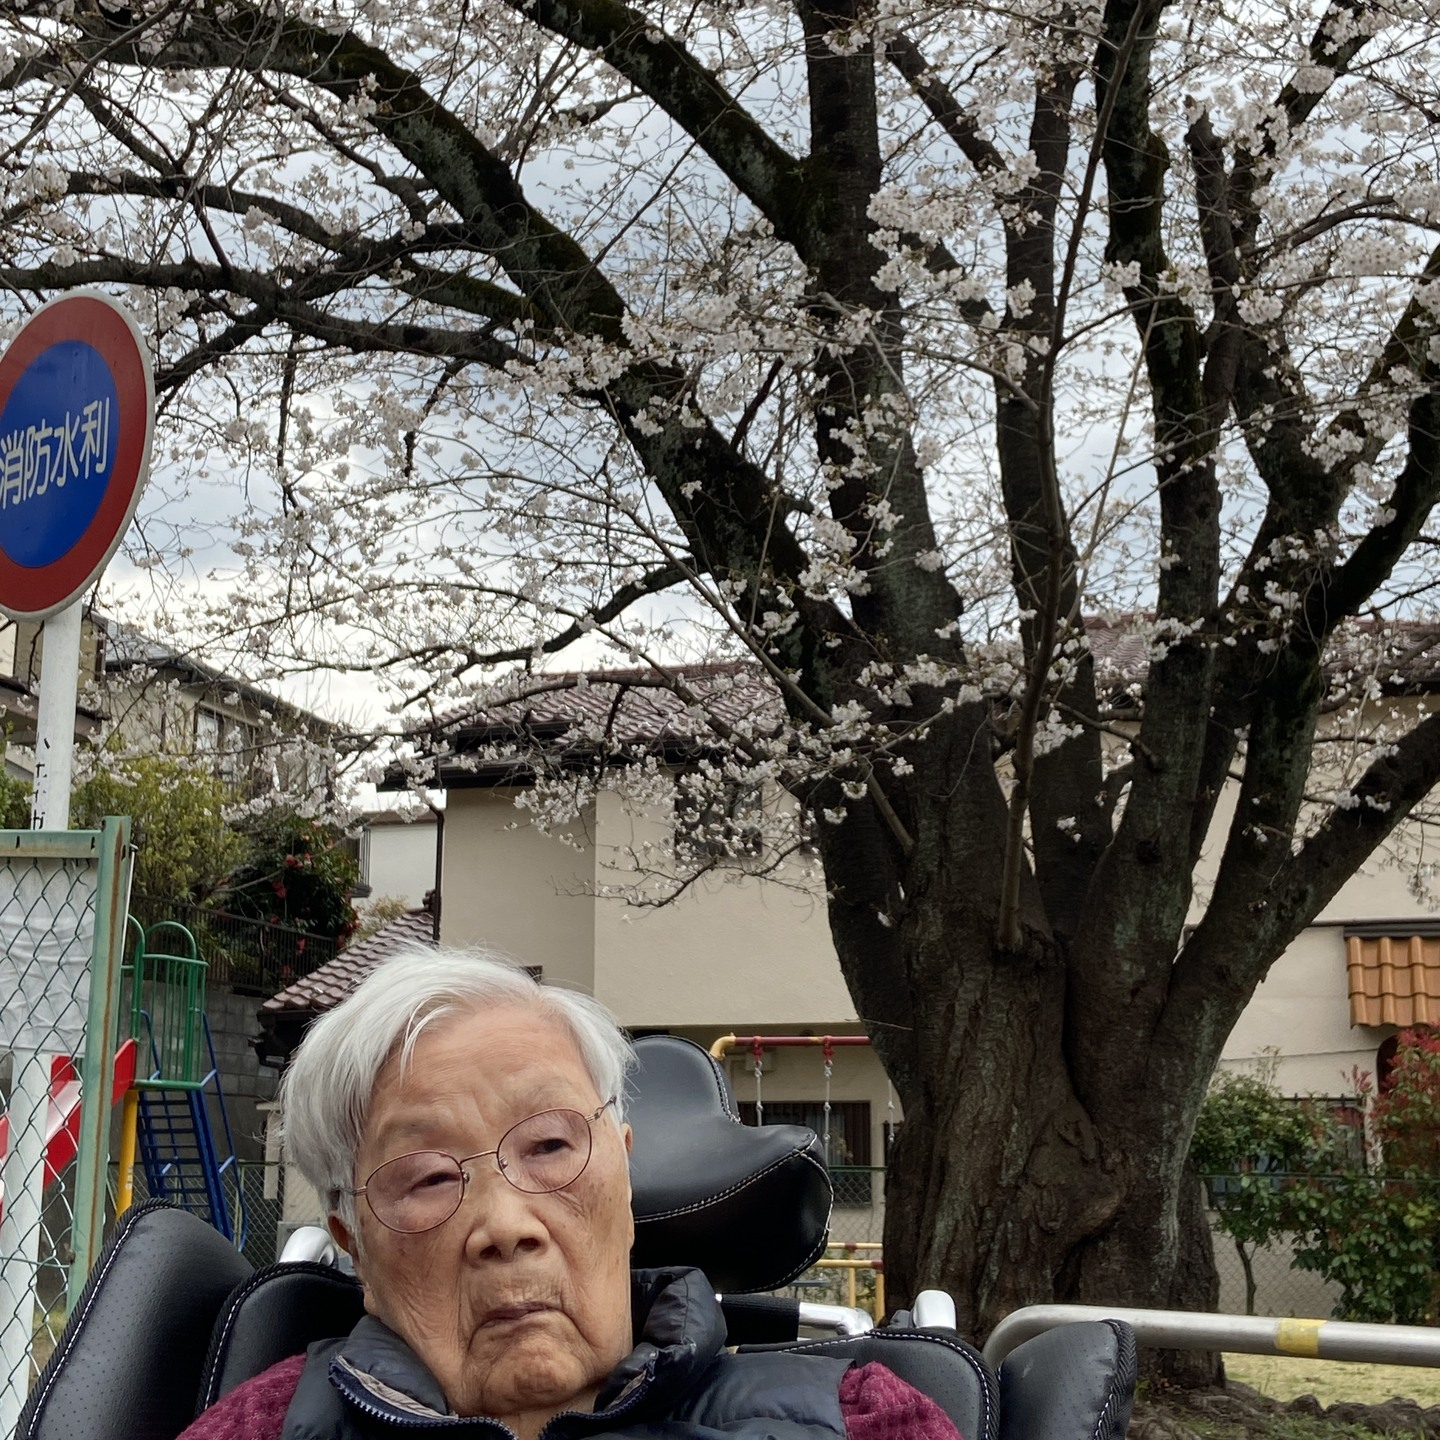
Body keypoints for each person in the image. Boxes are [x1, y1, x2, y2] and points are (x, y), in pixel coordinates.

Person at [180, 948, 961, 1440]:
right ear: (356, 1248)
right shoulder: (261, 1426)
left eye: (550, 1146)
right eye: (423, 1178)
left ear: (622, 1178)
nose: (504, 1227)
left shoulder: (863, 1420)